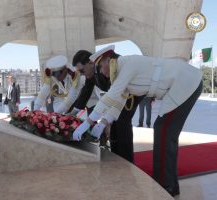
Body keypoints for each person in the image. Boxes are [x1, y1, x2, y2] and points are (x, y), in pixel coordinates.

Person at [73, 45, 202, 196]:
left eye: (101, 66)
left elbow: (112, 95)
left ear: (108, 60)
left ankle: (166, 185)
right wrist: (103, 123)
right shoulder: (120, 71)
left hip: (186, 82)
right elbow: (119, 103)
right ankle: (168, 184)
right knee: (162, 130)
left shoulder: (128, 64)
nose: (101, 71)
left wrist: (87, 122)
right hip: (181, 85)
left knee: (164, 131)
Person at [70, 47, 144, 162]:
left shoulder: (108, 65)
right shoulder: (92, 73)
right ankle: (116, 157)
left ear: (90, 63)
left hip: (131, 93)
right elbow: (85, 93)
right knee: (113, 124)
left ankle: (127, 161)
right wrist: (73, 113)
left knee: (122, 122)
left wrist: (102, 121)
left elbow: (114, 94)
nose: (82, 74)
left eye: (82, 71)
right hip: (119, 94)